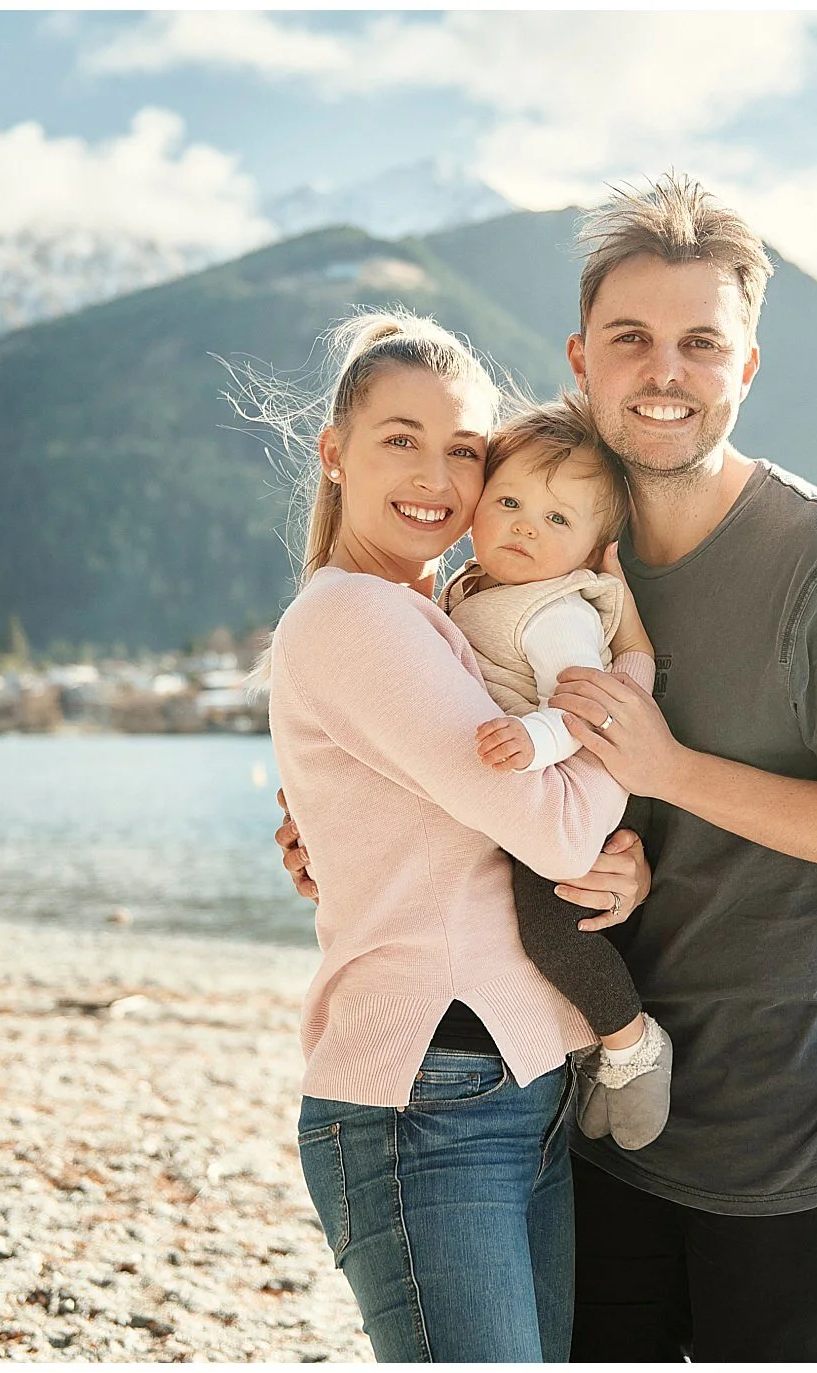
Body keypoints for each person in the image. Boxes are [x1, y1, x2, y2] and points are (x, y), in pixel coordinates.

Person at [277, 174, 817, 1361]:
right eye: (631, 338)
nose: (663, 371)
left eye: (701, 343)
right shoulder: (526, 556)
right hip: (592, 1111)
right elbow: (435, 748)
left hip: (785, 1132)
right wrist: (339, 833)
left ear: (744, 368)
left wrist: (667, 769)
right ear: (579, 359)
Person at [258, 311, 650, 1363]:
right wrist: (618, 766)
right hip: (424, 1104)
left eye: (464, 449)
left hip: (514, 1083)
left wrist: (624, 847)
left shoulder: (438, 614)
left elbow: (475, 832)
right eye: (400, 438)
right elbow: (560, 825)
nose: (436, 474)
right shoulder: (360, 618)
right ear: (333, 453)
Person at [447, 393, 674, 1150]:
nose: (522, 526)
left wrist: (533, 738)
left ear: (589, 547)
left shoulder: (554, 611)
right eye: (508, 500)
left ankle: (631, 1041)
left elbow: (588, 705)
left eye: (556, 520)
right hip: (521, 785)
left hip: (563, 782)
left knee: (551, 928)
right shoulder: (472, 589)